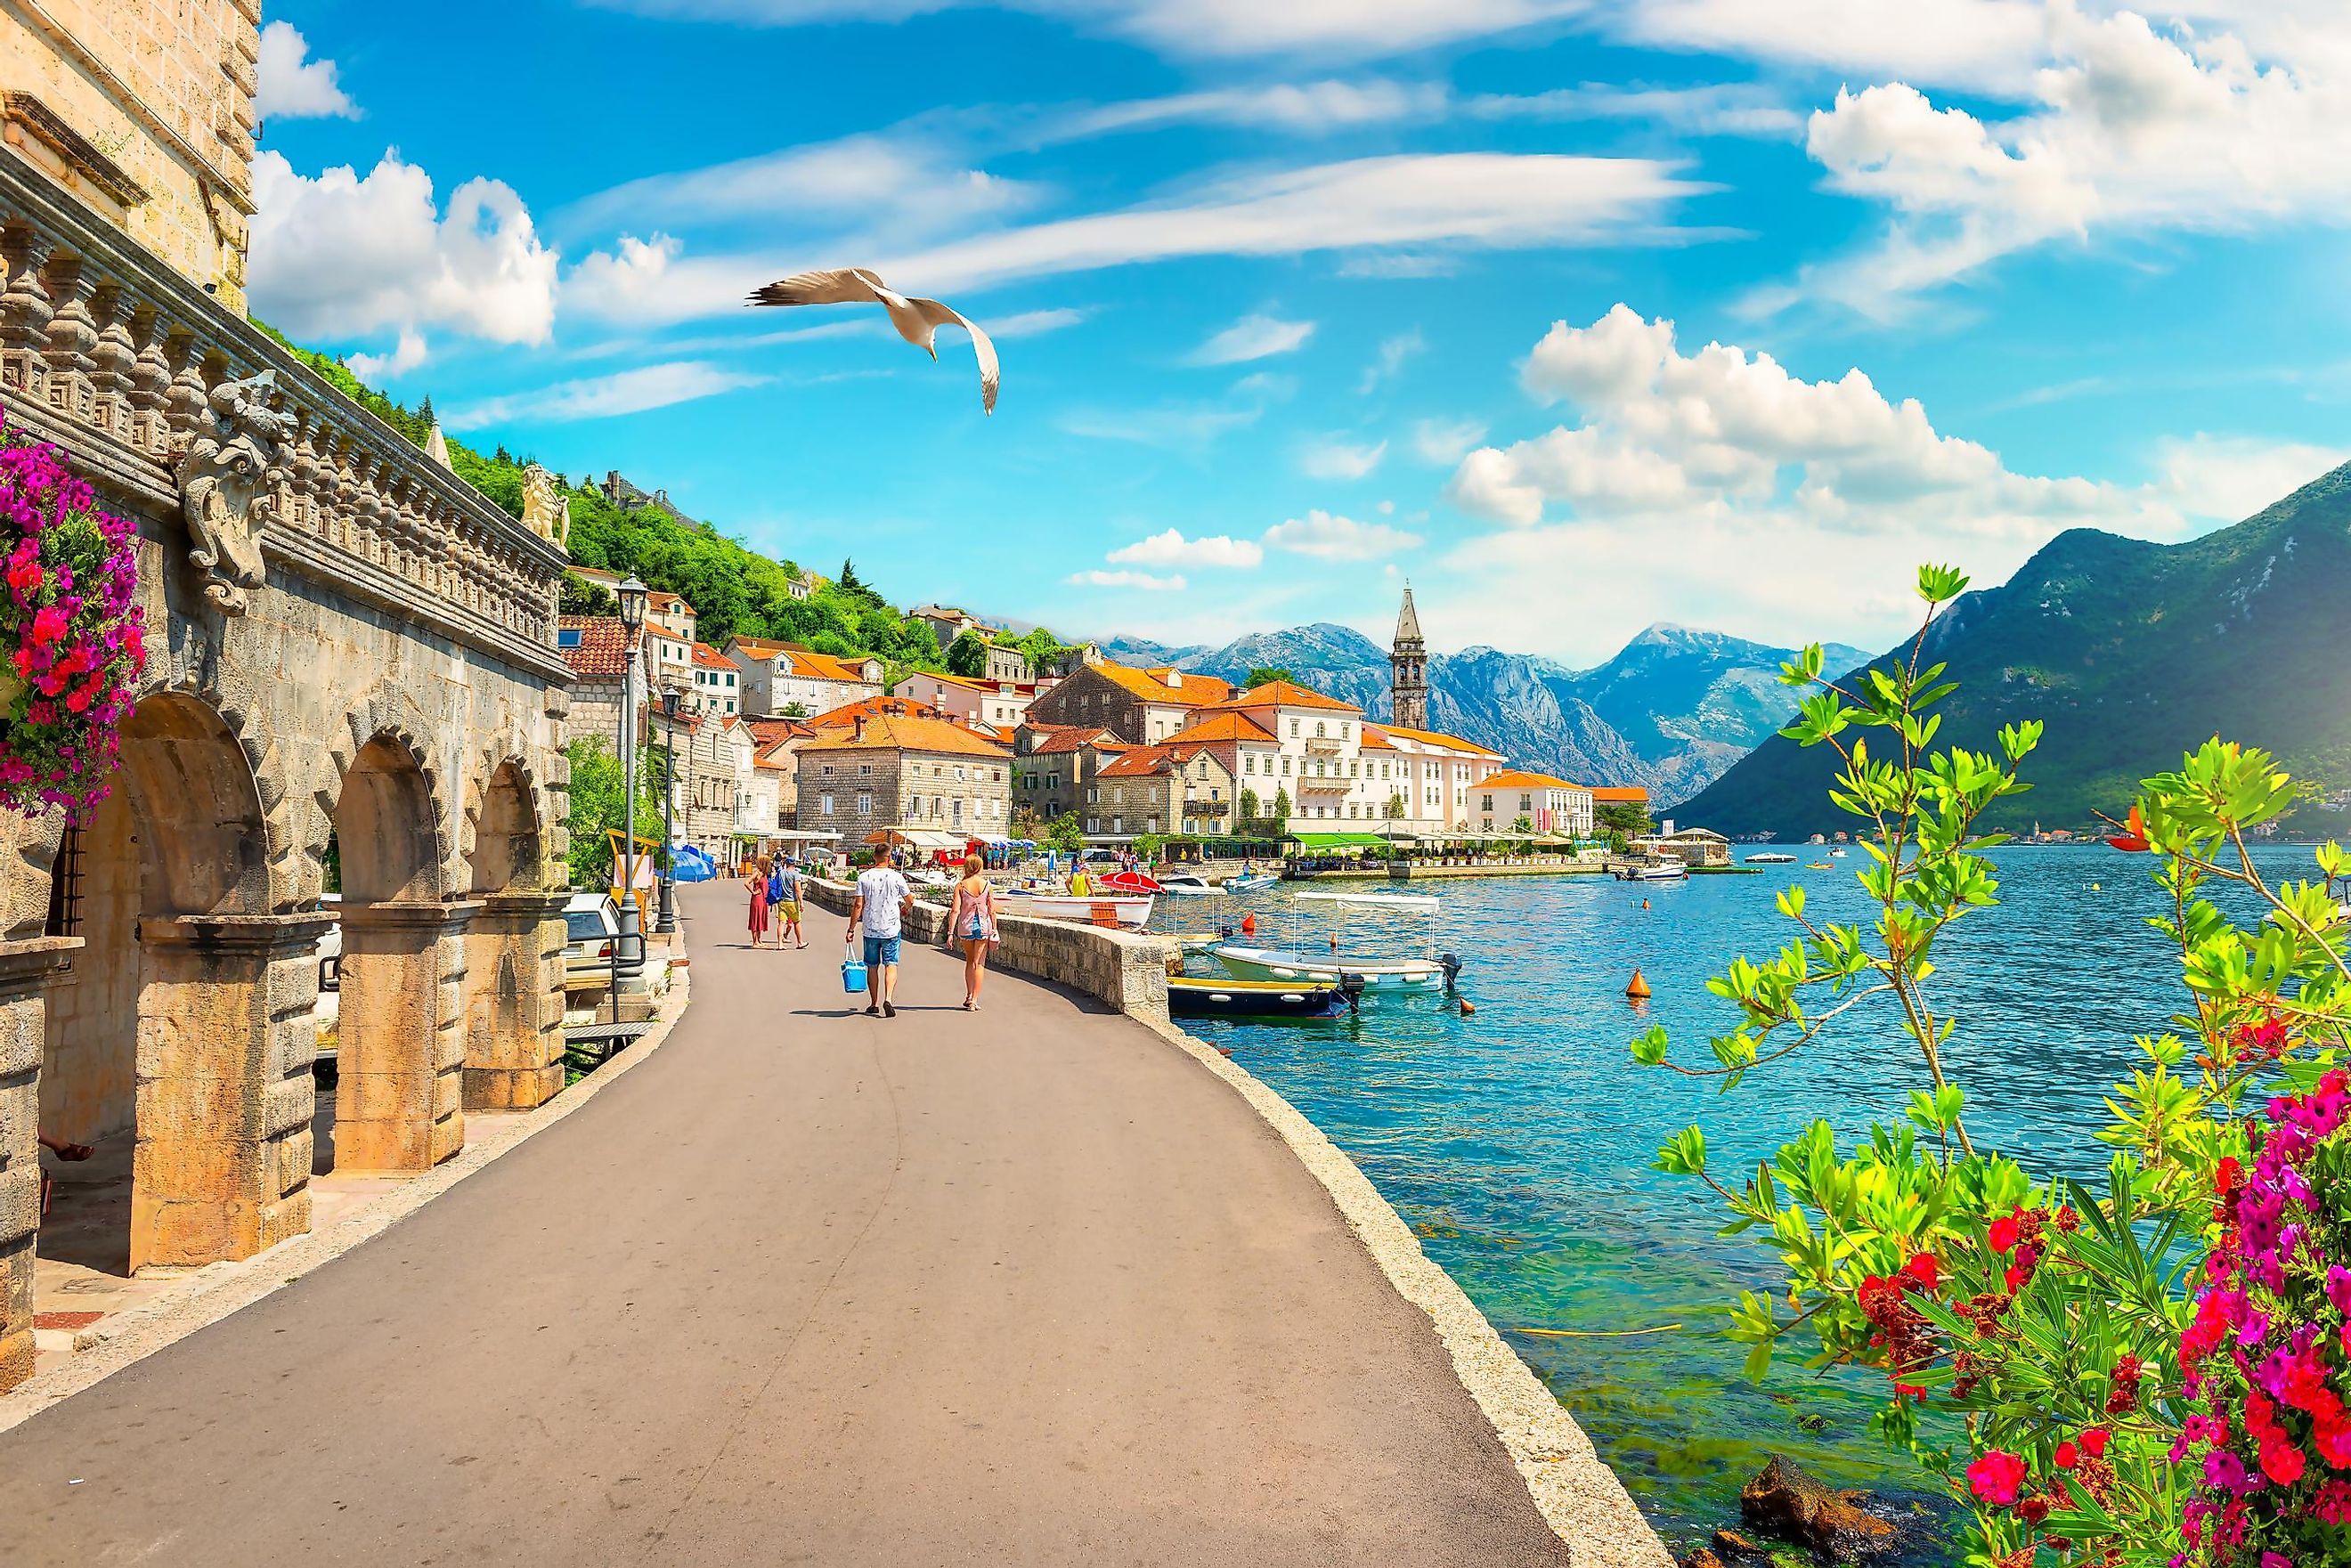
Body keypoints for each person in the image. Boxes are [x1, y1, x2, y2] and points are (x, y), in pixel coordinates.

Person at [846, 845, 913, 1017]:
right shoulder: (896, 877)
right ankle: (888, 998)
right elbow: (910, 899)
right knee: (891, 964)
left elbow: (858, 905)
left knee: (872, 966)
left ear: (874, 857)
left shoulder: (864, 877)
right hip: (891, 928)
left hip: (870, 929)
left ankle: (874, 1003)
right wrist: (905, 908)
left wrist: (851, 929)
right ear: (889, 858)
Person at [949, 854, 1000, 1011]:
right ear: (979, 867)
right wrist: (995, 928)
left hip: (966, 926)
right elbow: (992, 910)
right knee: (979, 963)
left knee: (970, 961)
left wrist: (950, 932)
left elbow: (955, 910)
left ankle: (969, 995)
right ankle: (974, 1000)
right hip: (984, 927)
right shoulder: (986, 885)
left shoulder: (961, 885)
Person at [770, 856, 805, 948]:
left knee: (782, 923)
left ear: (786, 864)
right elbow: (798, 889)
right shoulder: (795, 874)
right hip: (792, 901)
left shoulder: (781, 873)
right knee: (797, 922)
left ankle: (780, 944)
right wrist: (801, 902)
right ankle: (800, 942)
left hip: (782, 901)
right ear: (794, 864)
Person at [744, 853, 772, 947]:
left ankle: (759, 940)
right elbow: (747, 883)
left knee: (761, 918)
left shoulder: (764, 874)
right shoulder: (757, 873)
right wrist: (753, 892)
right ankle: (755, 941)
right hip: (757, 898)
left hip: (764, 899)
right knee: (756, 918)